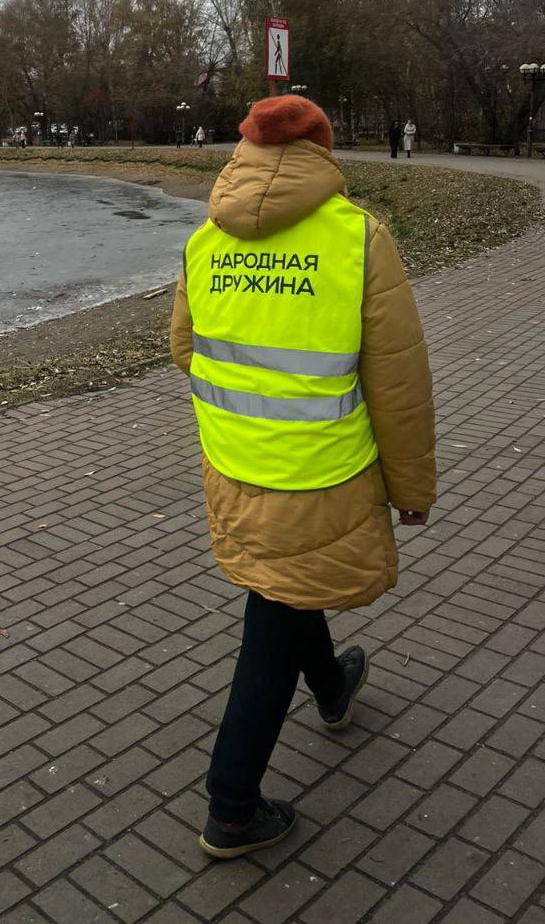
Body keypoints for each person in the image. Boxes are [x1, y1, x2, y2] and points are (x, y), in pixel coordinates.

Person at [170, 94, 436, 859]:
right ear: (321, 150)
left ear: (245, 149)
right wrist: (413, 489)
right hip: (324, 477)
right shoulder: (357, 239)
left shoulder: (204, 240)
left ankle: (332, 688)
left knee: (285, 586)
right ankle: (231, 806)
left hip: (234, 468)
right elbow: (398, 384)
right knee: (275, 613)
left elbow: (185, 349)